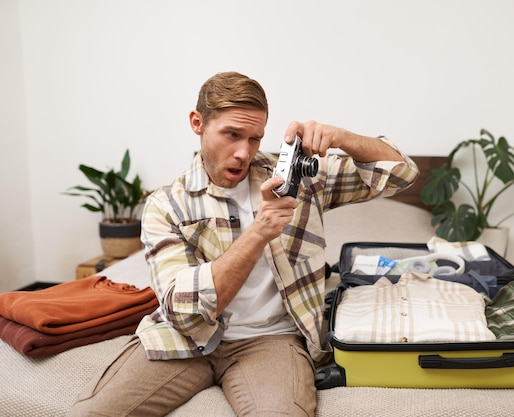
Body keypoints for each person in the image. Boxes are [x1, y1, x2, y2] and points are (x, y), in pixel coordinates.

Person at [68, 71, 418, 417]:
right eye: (231, 134)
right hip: (185, 340)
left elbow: (402, 173)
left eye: (254, 138)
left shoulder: (299, 179)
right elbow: (183, 311)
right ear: (197, 123)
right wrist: (259, 231)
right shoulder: (166, 204)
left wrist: (341, 137)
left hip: (273, 340)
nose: (243, 152)